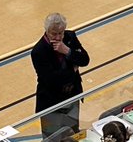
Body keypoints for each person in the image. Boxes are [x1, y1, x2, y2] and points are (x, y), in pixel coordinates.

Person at [31, 12, 91, 140]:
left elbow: (85, 60)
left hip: (72, 97)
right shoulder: (38, 51)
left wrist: (67, 51)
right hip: (51, 104)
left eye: (61, 33)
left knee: (73, 135)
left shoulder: (70, 37)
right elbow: (52, 81)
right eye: (54, 33)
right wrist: (73, 70)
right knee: (53, 139)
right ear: (46, 31)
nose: (58, 37)